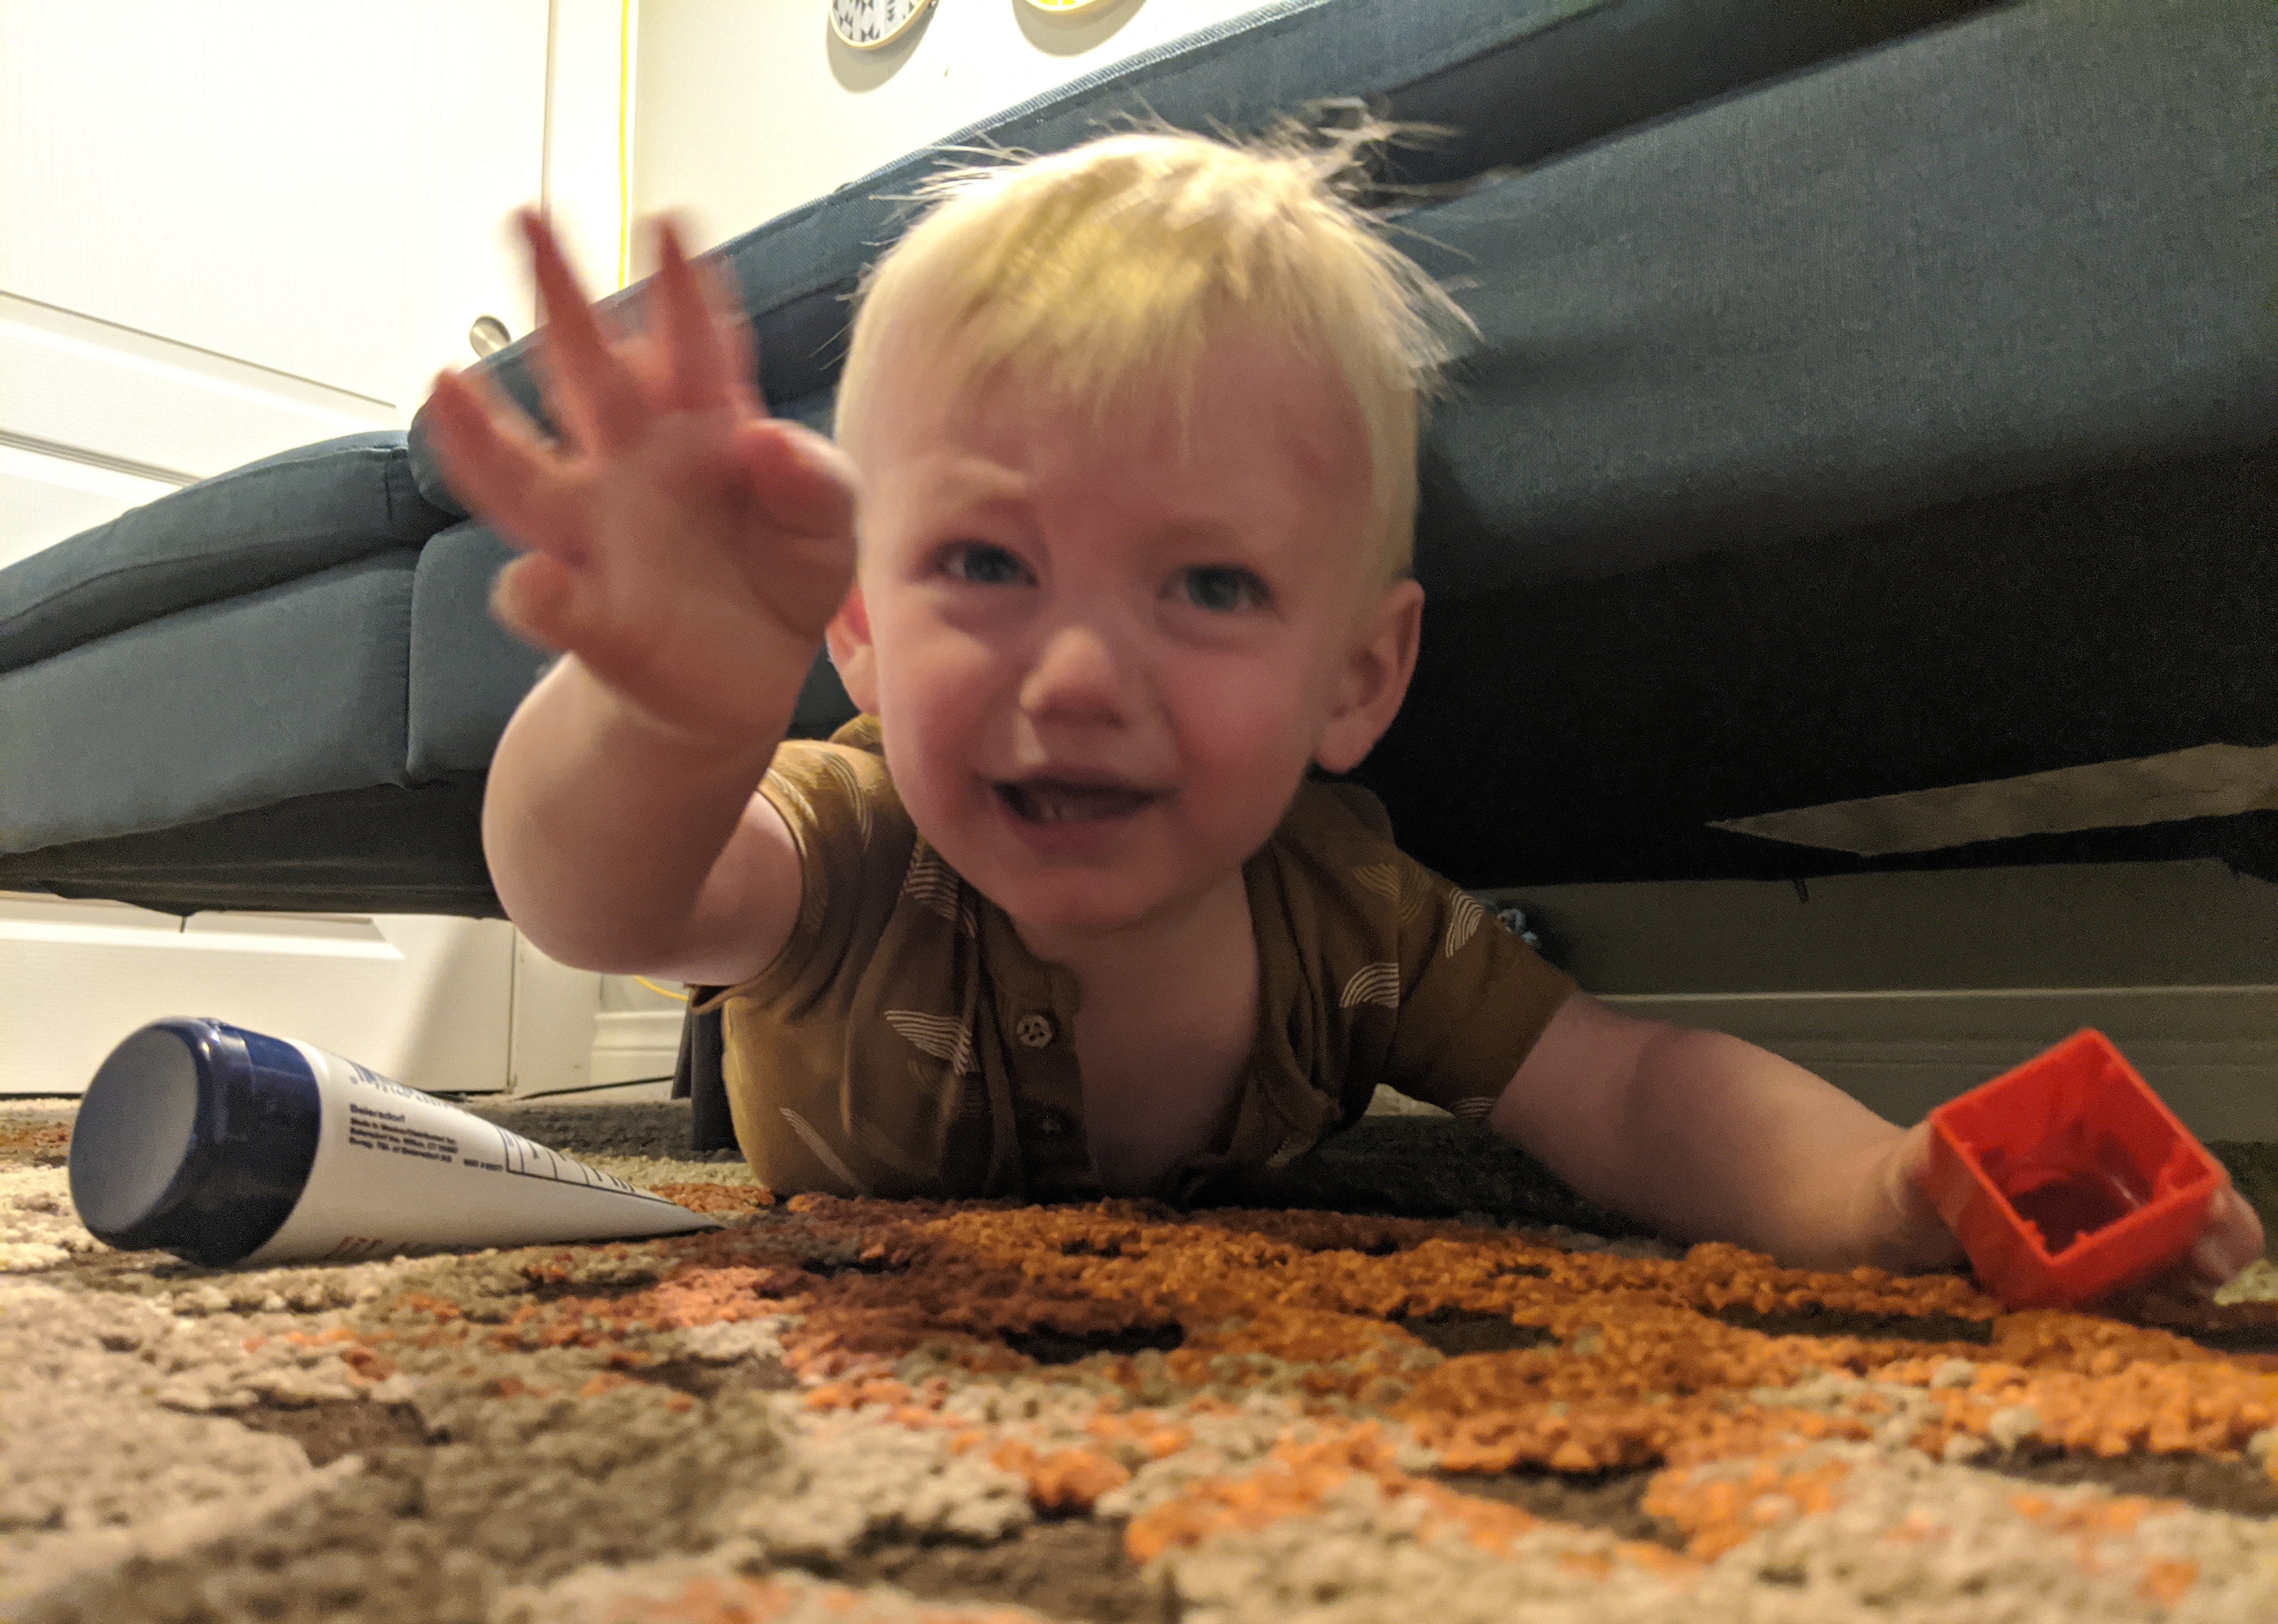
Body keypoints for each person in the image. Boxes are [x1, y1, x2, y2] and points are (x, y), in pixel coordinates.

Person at [423, 127, 2265, 1295]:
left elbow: (1624, 1089)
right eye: (985, 566)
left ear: (1358, 677)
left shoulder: (1355, 927)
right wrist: (670, 712)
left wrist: (1880, 1190)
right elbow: (610, 902)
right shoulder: (852, 854)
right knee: (700, 976)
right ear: (860, 639)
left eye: (1209, 587)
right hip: (810, 1089)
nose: (1075, 680)